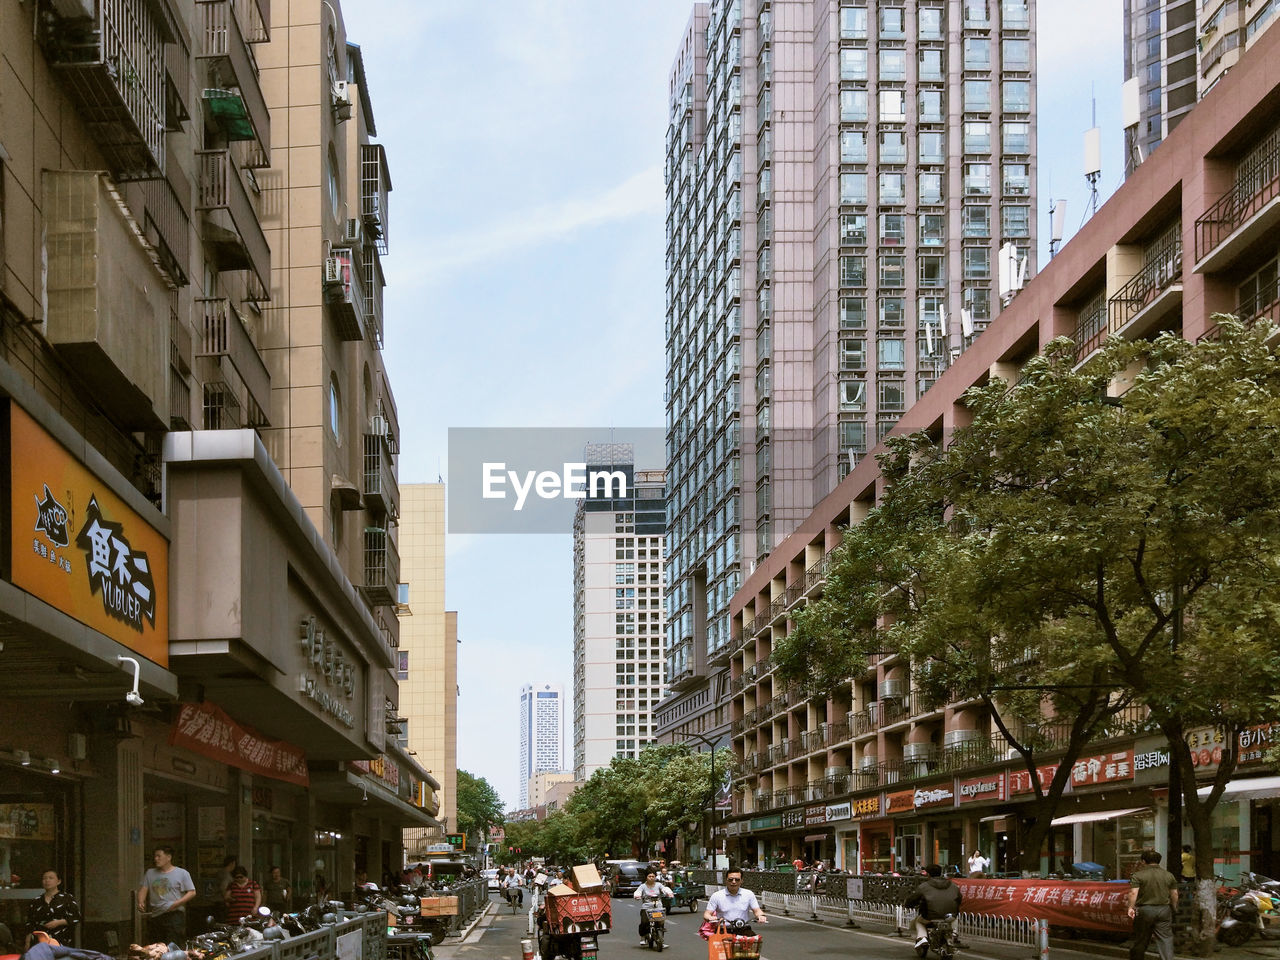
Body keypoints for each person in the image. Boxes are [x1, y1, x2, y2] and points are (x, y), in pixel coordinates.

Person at [136, 846, 196, 944]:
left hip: (174, 914)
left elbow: (192, 892)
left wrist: (177, 903)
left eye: (159, 856)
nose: (156, 859)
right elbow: (143, 889)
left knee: (172, 945)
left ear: (168, 857)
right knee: (156, 946)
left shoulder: (182, 873)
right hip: (156, 914)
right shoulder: (150, 873)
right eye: (155, 856)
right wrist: (140, 902)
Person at [1127, 849, 1178, 960]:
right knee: (1166, 939)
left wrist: (1131, 907)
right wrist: (1174, 907)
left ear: (1143, 861)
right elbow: (1174, 893)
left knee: (1141, 938)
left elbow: (1133, 892)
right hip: (1164, 910)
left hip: (1145, 910)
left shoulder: (1138, 875)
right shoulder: (1169, 875)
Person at [904, 864, 962, 954]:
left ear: (928, 874)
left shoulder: (924, 886)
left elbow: (912, 899)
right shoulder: (953, 885)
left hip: (930, 916)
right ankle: (953, 934)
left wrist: (908, 905)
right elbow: (959, 899)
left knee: (919, 922)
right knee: (954, 919)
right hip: (950, 915)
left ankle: (922, 938)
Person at [26, 869, 81, 947]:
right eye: (44, 878)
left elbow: (76, 917)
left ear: (58, 881)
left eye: (51, 878)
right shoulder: (36, 901)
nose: (47, 880)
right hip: (39, 942)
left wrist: (59, 922)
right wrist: (27, 942)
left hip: (61, 940)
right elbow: (30, 923)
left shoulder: (67, 898)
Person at [703, 868, 767, 933]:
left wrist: (761, 916)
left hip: (744, 929)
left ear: (742, 881)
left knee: (756, 941)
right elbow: (707, 914)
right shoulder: (716, 895)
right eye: (730, 879)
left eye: (737, 880)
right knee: (716, 943)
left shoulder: (749, 894)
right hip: (723, 930)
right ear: (726, 880)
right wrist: (710, 917)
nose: (733, 882)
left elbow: (757, 910)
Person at [633, 870, 674, 941]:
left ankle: (661, 939)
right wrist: (637, 896)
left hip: (658, 907)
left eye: (653, 876)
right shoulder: (642, 886)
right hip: (646, 907)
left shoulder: (659, 885)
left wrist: (669, 893)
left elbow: (664, 889)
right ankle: (643, 937)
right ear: (646, 877)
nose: (651, 878)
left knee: (661, 923)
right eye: (649, 876)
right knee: (644, 923)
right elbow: (638, 892)